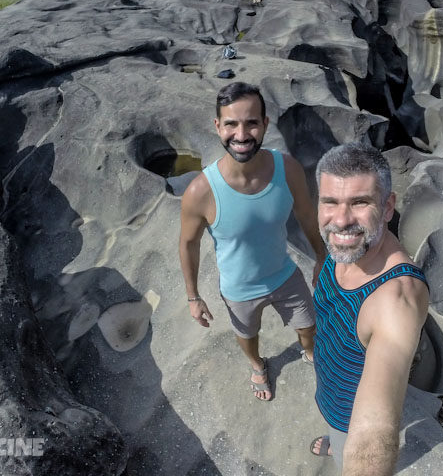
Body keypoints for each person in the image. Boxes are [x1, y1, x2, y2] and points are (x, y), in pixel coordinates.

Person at [179, 81, 326, 401]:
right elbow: (188, 243)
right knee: (248, 334)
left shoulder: (286, 169)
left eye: (251, 123)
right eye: (231, 123)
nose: (241, 134)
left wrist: (321, 258)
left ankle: (310, 352)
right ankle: (258, 365)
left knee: (308, 325)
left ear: (265, 125)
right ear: (217, 127)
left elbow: (305, 213)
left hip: (285, 275)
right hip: (239, 289)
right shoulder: (200, 192)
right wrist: (194, 297)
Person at [308, 142, 429, 475]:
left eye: (360, 202)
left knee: (345, 446)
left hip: (351, 414)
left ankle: (337, 444)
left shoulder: (395, 299)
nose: (342, 219)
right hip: (330, 381)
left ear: (388, 207)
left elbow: (373, 432)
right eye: (329, 202)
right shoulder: (343, 243)